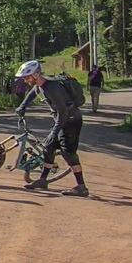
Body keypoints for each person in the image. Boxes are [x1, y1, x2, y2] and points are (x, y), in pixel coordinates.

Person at [17, 59, 89, 196]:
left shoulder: (52, 88)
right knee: (48, 149)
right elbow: (33, 92)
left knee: (68, 153)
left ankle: (81, 187)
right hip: (60, 120)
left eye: (27, 77)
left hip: (71, 121)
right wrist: (22, 106)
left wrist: (54, 132)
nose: (25, 80)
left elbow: (64, 113)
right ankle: (43, 180)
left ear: (36, 74)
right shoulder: (40, 84)